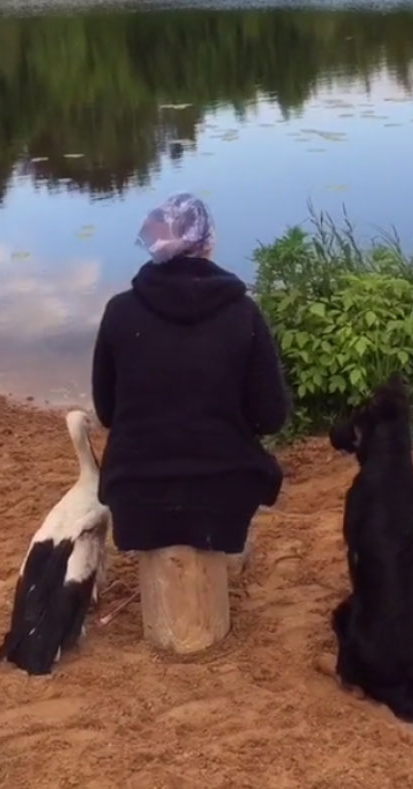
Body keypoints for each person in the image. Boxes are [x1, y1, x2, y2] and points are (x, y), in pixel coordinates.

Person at [91, 192, 290, 558]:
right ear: (208, 243)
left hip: (134, 495)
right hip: (224, 495)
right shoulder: (243, 313)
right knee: (250, 470)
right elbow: (271, 417)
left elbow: (106, 413)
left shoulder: (119, 312)